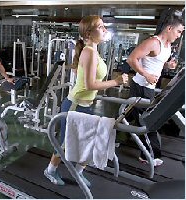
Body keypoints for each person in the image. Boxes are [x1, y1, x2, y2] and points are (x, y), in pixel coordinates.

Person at [44, 15, 128, 186]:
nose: (105, 29)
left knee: (90, 140)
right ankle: (50, 170)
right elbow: (90, 84)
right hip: (74, 104)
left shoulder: (93, 51)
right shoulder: (89, 52)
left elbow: (84, 77)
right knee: (65, 143)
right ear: (88, 34)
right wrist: (116, 82)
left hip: (86, 105)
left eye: (104, 26)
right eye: (100, 26)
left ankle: (78, 172)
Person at [126, 8, 184, 167]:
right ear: (169, 28)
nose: (179, 35)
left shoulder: (167, 45)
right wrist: (146, 74)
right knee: (148, 122)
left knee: (131, 115)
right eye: (178, 31)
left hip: (149, 87)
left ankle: (115, 134)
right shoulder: (153, 42)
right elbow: (131, 59)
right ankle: (147, 155)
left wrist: (168, 65)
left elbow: (156, 63)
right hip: (141, 86)